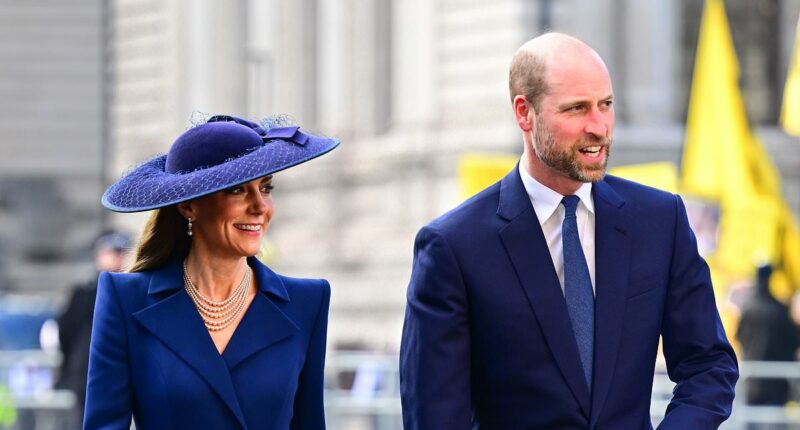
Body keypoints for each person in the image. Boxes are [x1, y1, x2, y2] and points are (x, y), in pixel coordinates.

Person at [400, 33, 738, 429]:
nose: (599, 127)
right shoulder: (453, 247)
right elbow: (435, 417)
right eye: (577, 109)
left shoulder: (660, 220)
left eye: (606, 105)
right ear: (524, 113)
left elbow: (709, 365)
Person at [84, 115, 339, 429]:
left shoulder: (306, 302)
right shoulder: (126, 299)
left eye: (266, 188)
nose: (260, 206)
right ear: (188, 206)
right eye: (237, 191)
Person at [56, 230, 131, 426]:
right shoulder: (85, 294)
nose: (118, 257)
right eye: (113, 251)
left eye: (122, 251)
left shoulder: (134, 290)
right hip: (87, 374)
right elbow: (66, 332)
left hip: (127, 374)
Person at [736, 264, 800, 408]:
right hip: (775, 384)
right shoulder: (779, 310)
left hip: (752, 381)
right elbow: (793, 342)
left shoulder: (747, 309)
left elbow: (739, 337)